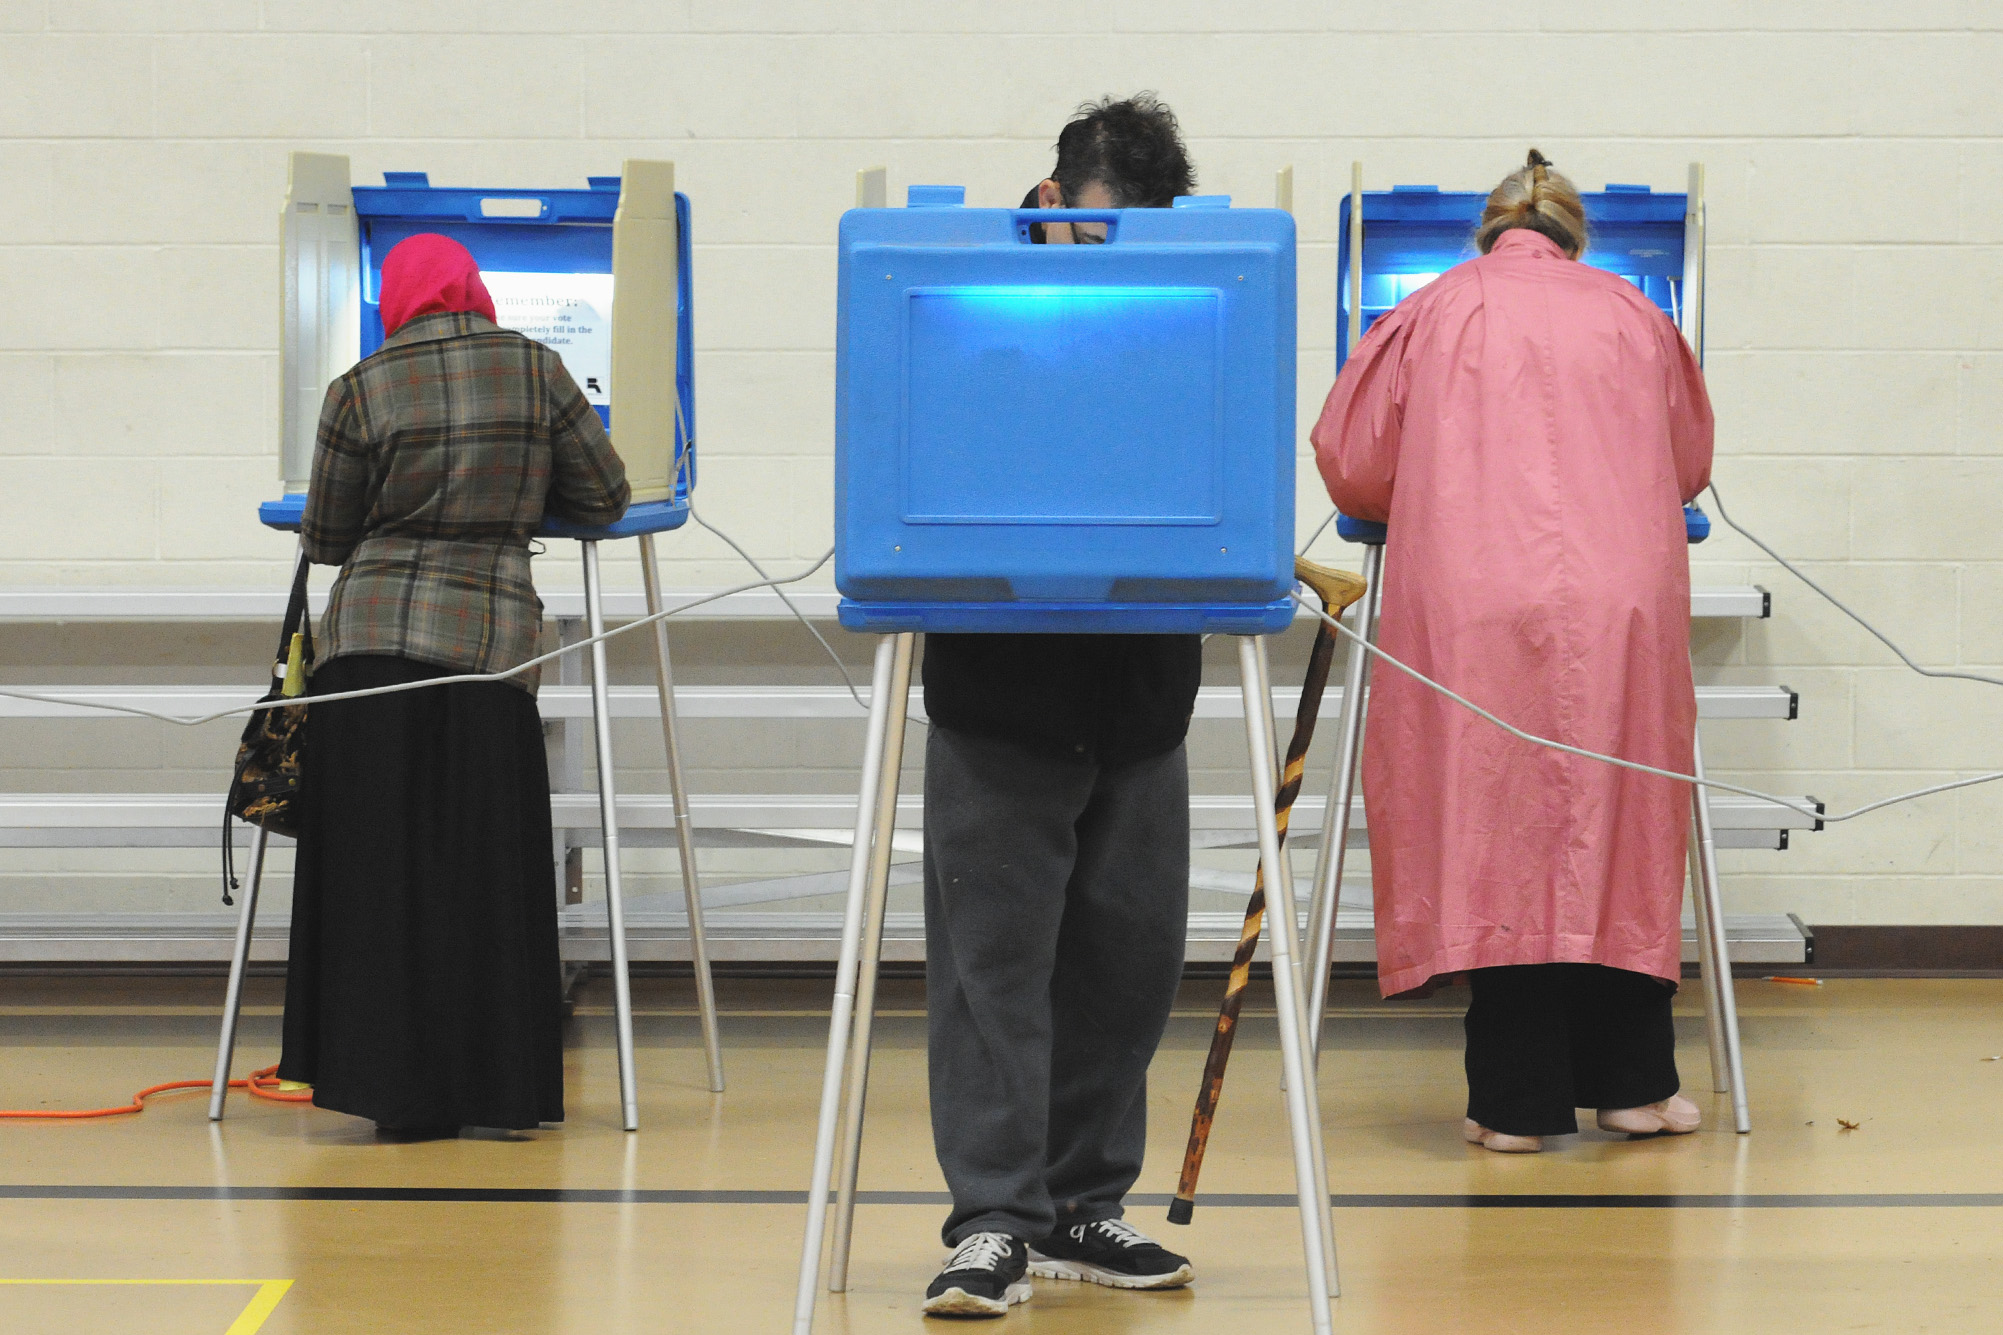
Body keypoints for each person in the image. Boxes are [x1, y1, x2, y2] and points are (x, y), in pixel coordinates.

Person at [1311, 150, 1715, 1155]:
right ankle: (1633, 1087)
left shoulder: (1423, 314)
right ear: (1575, 238)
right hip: (1617, 604)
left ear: (1484, 235)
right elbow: (1687, 462)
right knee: (1616, 816)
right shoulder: (1634, 315)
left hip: (1470, 604)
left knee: (1488, 826)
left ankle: (1513, 1104)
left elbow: (1352, 471)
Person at [918, 94, 1201, 1319]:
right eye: (1099, 231)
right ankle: (991, 1224)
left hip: (1142, 696)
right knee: (992, 974)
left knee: (1123, 970)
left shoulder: (1189, 316)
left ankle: (1086, 1207)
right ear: (1046, 203)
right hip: (1001, 689)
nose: (1116, 259)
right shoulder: (958, 315)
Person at [277, 233, 630, 1139]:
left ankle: (393, 1093)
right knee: (484, 868)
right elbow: (606, 497)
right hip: (487, 648)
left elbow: (324, 534)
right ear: (472, 290)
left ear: (396, 297)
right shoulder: (537, 369)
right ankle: (495, 1089)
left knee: (377, 873)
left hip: (367, 649)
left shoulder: (360, 384)